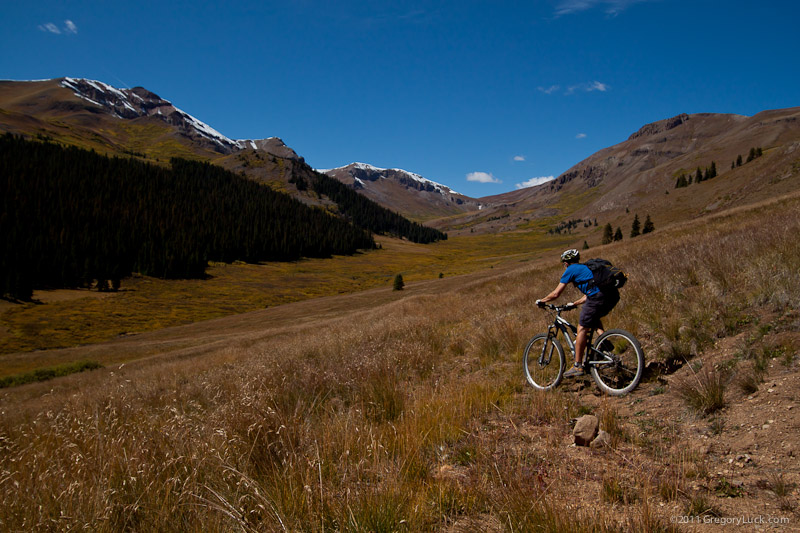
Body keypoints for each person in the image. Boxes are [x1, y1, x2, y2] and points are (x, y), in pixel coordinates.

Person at [535, 249, 620, 377]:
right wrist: (575, 303)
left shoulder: (570, 269)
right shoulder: (586, 268)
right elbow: (590, 293)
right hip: (612, 296)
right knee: (593, 318)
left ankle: (577, 366)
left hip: (597, 297)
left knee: (582, 328)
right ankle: (605, 343)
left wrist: (542, 301)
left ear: (566, 263)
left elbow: (556, 293)